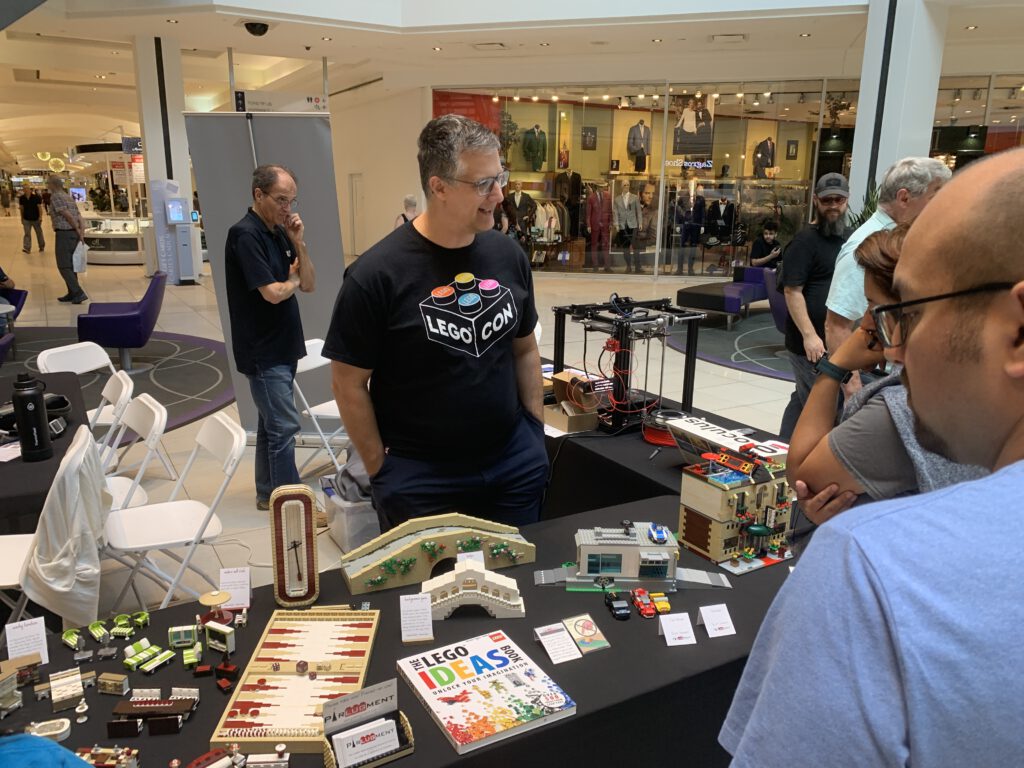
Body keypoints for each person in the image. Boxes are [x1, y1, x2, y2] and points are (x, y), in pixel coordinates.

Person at [720, 147, 1024, 767]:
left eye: (907, 313)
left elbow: (806, 471)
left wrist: (834, 368)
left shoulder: (867, 566)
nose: (894, 346)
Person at [324, 115, 547, 531]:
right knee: (431, 578)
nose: (499, 195)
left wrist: (534, 432)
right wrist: (381, 470)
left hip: (512, 466)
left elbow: (525, 348)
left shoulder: (507, 256)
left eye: (499, 177)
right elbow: (347, 383)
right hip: (421, 480)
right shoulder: (376, 276)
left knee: (519, 572)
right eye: (483, 183)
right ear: (438, 186)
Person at [786, 225, 985, 519]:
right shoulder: (981, 384)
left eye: (874, 307)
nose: (866, 322)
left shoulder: (900, 411)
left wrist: (834, 367)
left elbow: (802, 475)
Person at [224, 164, 316, 512]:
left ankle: (267, 493)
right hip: (263, 349)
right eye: (280, 200)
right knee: (284, 426)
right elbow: (274, 293)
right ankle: (292, 506)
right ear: (258, 194)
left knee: (270, 425)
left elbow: (309, 283)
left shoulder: (280, 232)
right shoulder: (245, 235)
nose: (287, 208)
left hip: (283, 345)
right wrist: (290, 281)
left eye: (292, 201)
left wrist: (298, 243)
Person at [824, 157, 950, 355]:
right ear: (904, 198)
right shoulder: (867, 248)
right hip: (876, 366)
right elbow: (837, 326)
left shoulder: (900, 240)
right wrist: (852, 376)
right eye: (934, 198)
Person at [778, 172, 850, 441]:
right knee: (822, 406)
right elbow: (791, 291)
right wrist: (809, 335)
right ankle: (809, 456)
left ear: (847, 200)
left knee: (803, 398)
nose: (833, 206)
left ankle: (783, 447)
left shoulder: (849, 238)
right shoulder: (804, 242)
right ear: (816, 201)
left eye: (839, 200)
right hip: (808, 344)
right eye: (827, 200)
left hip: (835, 340)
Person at [46, 177, 87, 304]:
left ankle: (78, 292)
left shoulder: (56, 196)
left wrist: (76, 229)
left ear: (53, 184)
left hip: (64, 233)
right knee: (71, 265)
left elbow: (67, 215)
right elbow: (79, 216)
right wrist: (80, 233)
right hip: (73, 234)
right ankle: (72, 292)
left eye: (48, 183)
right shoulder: (68, 196)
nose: (47, 185)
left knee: (63, 265)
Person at [18, 186, 45, 254]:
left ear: (30, 190)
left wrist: (40, 217)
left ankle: (41, 246)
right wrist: (22, 218)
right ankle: (27, 248)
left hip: (36, 219)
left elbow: (39, 208)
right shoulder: (22, 198)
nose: (26, 190)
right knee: (27, 234)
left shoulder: (36, 197)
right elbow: (21, 208)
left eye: (27, 189)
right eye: (24, 189)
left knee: (39, 233)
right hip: (26, 219)